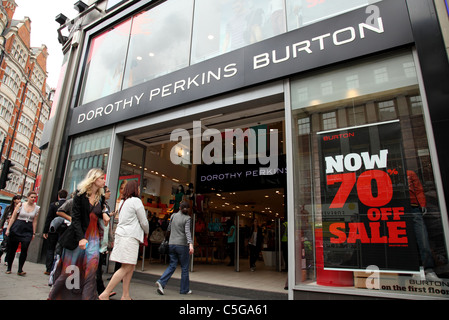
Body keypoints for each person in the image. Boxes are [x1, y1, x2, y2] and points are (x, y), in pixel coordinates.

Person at [48, 168, 108, 300]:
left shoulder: (101, 197)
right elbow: (75, 218)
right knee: (69, 271)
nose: (104, 181)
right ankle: (54, 296)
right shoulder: (80, 195)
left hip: (94, 238)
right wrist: (81, 238)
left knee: (91, 271)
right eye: (102, 178)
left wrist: (105, 214)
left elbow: (101, 211)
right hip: (78, 236)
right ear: (94, 179)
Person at [99, 180, 149, 300]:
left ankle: (125, 295)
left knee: (129, 266)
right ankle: (105, 293)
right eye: (137, 188)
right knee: (126, 267)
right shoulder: (136, 201)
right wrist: (147, 231)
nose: (138, 189)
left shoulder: (122, 202)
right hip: (130, 237)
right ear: (134, 189)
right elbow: (143, 221)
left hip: (122, 235)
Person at [407, 170, 440, 281]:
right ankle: (415, 269)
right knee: (407, 241)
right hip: (400, 208)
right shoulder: (391, 173)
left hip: (413, 207)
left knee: (422, 238)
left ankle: (428, 269)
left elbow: (419, 189)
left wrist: (421, 204)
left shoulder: (410, 173)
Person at [156, 201, 194, 295]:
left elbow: (169, 228)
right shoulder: (188, 218)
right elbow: (187, 232)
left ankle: (161, 282)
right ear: (188, 209)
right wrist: (190, 244)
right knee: (184, 268)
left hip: (172, 244)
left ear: (179, 208)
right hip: (182, 245)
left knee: (172, 265)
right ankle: (184, 289)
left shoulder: (173, 216)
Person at [5, 191, 40, 275]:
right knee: (12, 249)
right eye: (31, 197)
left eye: (34, 197)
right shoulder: (20, 205)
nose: (33, 199)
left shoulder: (37, 208)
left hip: (28, 229)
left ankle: (20, 269)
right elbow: (13, 217)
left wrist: (34, 233)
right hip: (18, 227)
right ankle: (9, 267)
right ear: (27, 197)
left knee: (24, 249)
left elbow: (35, 221)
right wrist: (8, 229)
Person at [43, 189, 68, 275]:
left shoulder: (53, 205)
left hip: (53, 230)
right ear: (66, 196)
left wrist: (45, 230)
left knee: (50, 248)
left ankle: (48, 268)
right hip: (64, 230)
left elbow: (49, 218)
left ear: (58, 196)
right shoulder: (68, 205)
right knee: (60, 249)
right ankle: (58, 267)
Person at [0, 195, 21, 264]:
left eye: (20, 199)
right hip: (7, 226)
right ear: (14, 200)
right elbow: (3, 217)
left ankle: (7, 259)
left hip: (15, 228)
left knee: (11, 244)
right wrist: (1, 226)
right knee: (5, 242)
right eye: (18, 199)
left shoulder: (20, 209)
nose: (19, 200)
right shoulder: (8, 208)